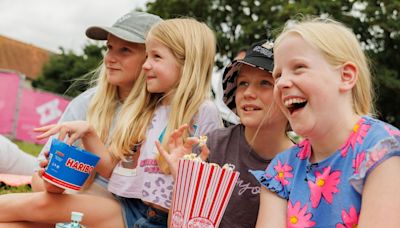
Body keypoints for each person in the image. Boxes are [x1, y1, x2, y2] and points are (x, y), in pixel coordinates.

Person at [0, 18, 221, 228]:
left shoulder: (200, 112)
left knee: (36, 206)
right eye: (109, 47)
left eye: (154, 56)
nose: (146, 65)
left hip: (158, 216)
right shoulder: (147, 109)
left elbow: (207, 194)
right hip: (129, 208)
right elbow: (115, 170)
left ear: (185, 62)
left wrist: (184, 172)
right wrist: (88, 134)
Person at [251, 17, 400, 227]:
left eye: (299, 67)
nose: (282, 82)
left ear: (346, 76)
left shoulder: (383, 151)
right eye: (278, 75)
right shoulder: (281, 171)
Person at [158, 40, 294, 227]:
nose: (248, 93)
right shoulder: (215, 144)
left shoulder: (301, 163)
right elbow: (179, 222)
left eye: (265, 83)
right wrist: (184, 181)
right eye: (243, 83)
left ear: (288, 95)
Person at [31, 10, 161, 197]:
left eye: (125, 50)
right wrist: (51, 183)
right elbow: (38, 177)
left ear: (151, 58)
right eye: (109, 47)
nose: (110, 58)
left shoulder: (162, 111)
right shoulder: (88, 102)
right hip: (72, 209)